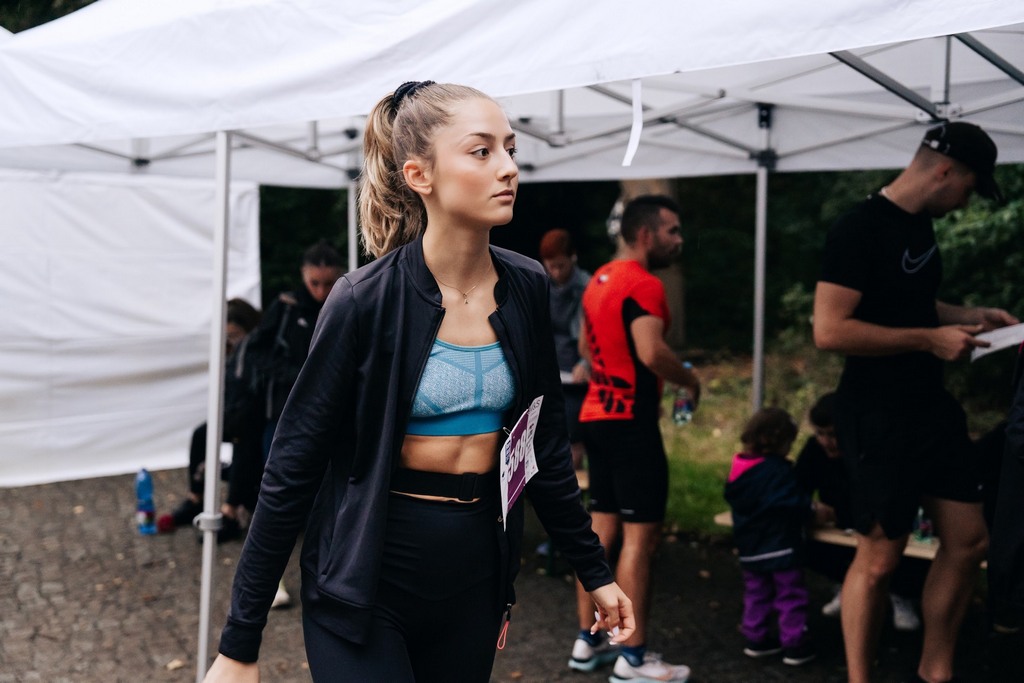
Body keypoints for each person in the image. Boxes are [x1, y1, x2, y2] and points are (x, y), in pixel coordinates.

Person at [202, 81, 634, 683]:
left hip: (474, 577)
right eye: (481, 151)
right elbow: (292, 468)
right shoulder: (362, 301)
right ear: (419, 175)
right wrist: (239, 643)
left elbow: (542, 448)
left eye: (510, 149)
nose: (508, 167)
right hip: (366, 579)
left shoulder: (527, 286)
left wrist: (595, 570)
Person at [813, 120, 1018, 683]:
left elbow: (910, 302)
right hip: (876, 414)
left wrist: (972, 316)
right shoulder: (858, 228)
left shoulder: (921, 225)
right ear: (945, 171)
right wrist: (930, 340)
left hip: (931, 407)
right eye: (970, 188)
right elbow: (830, 330)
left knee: (969, 540)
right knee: (880, 557)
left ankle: (935, 671)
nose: (967, 202)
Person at [569, 195, 700, 682]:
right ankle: (634, 657)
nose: (678, 240)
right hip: (631, 424)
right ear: (646, 234)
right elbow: (651, 351)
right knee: (640, 540)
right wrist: (689, 379)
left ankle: (587, 643)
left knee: (600, 533)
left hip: (596, 417)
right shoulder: (645, 284)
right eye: (672, 231)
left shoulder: (599, 280)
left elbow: (586, 349)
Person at [793, 393, 925, 632]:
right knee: (798, 539)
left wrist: (839, 513)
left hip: (879, 527)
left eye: (833, 434)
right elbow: (796, 488)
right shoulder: (814, 450)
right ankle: (847, 586)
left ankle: (900, 593)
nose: (826, 442)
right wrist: (810, 508)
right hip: (839, 530)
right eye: (820, 434)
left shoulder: (874, 455)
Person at [161, 298, 264, 544]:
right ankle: (195, 498)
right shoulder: (231, 353)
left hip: (257, 421)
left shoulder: (257, 352)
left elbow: (256, 397)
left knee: (242, 440)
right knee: (202, 435)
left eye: (235, 335)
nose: (230, 340)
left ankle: (232, 511)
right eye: (226, 336)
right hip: (236, 415)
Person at [724, 407, 817, 666]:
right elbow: (788, 503)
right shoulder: (776, 471)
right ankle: (795, 643)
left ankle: (756, 637)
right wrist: (811, 509)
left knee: (757, 593)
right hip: (781, 546)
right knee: (790, 594)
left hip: (750, 549)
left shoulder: (740, 469)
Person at [538, 228, 591, 470]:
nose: (557, 272)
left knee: (573, 436)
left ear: (573, 257)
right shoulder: (540, 283)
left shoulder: (587, 286)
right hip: (550, 369)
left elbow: (592, 334)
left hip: (577, 373)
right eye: (552, 266)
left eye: (561, 266)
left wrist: (586, 362)